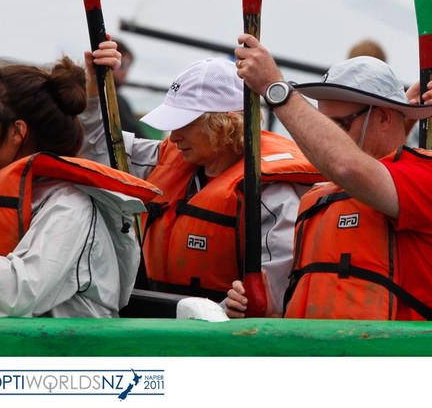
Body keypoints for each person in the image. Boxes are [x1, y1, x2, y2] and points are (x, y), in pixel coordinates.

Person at [229, 35, 432, 321]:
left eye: (339, 125)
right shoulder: (317, 198)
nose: (326, 137)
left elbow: (348, 166)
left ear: (385, 119)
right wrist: (265, 315)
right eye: (323, 124)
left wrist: (274, 88)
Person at [81, 45, 322, 310]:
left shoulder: (270, 193)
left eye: (185, 124)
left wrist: (236, 307)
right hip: (159, 322)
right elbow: (97, 151)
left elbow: (275, 295)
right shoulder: (168, 160)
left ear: (224, 123)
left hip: (220, 339)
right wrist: (95, 88)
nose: (173, 137)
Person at [0, 57, 160, 317]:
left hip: (68, 355)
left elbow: (17, 295)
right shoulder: (13, 193)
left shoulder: (70, 205)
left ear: (17, 131)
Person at [112, 38, 146, 137]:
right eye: (122, 65)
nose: (126, 71)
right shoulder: (117, 101)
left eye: (128, 66)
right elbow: (135, 133)